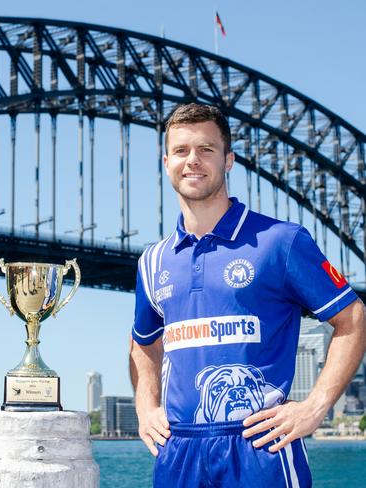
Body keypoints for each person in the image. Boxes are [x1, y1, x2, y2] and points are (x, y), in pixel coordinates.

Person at [129, 103, 366, 487]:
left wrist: (316, 406)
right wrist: (146, 407)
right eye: (181, 151)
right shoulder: (152, 261)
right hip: (179, 450)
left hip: (261, 448)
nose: (193, 161)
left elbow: (352, 316)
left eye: (206, 149)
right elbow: (143, 342)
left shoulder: (281, 242)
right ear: (166, 161)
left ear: (229, 160)